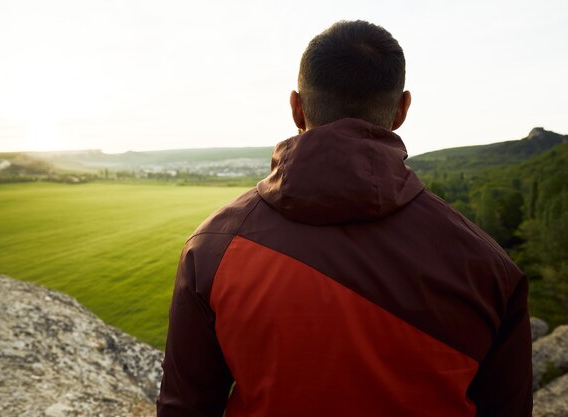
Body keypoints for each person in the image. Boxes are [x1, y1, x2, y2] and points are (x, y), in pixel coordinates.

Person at [157, 20, 532, 417]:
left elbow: (184, 408)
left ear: (296, 108)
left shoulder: (213, 246)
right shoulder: (490, 268)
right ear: (402, 109)